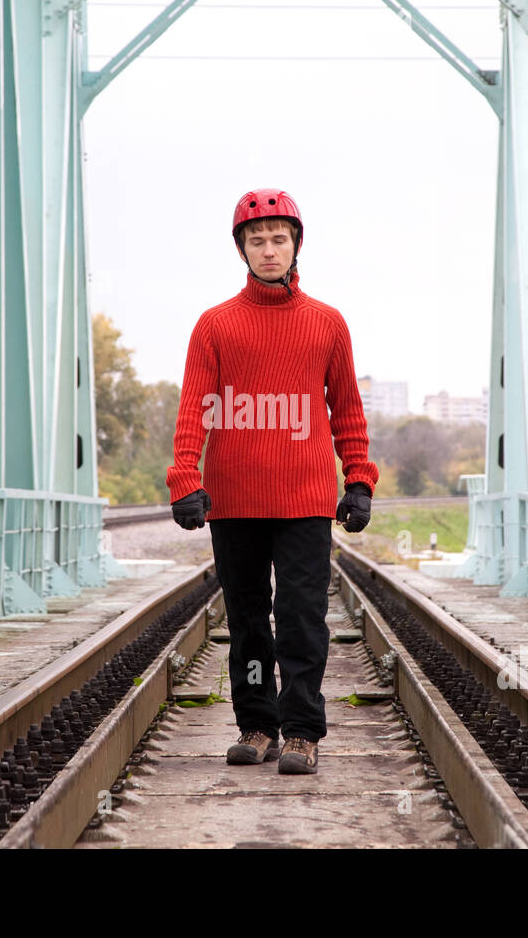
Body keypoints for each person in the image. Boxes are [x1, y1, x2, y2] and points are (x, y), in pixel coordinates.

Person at [165, 188, 378, 775]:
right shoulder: (214, 326)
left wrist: (358, 479)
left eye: (278, 239)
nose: (268, 249)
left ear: (296, 245)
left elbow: (348, 410)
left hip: (306, 501)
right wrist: (185, 476)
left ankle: (303, 731)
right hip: (234, 502)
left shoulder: (327, 323)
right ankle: (257, 725)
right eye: (256, 240)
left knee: (303, 616)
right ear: (241, 250)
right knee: (248, 621)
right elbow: (194, 409)